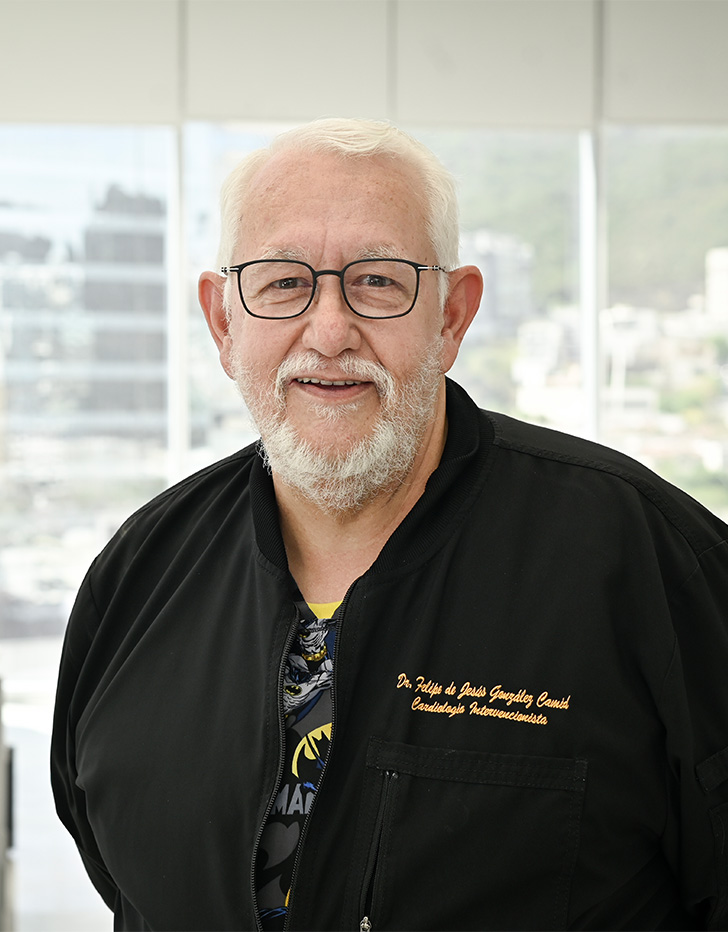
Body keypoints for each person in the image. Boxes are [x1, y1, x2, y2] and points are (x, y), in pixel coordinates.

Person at [51, 118, 728, 932]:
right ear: (224, 324)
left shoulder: (645, 559)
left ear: (452, 316)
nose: (330, 331)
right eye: (283, 283)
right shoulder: (139, 575)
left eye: (377, 281)